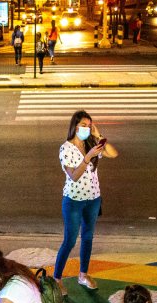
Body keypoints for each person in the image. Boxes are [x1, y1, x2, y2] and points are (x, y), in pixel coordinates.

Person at [53, 110, 118, 292]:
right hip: (73, 200)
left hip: (93, 199)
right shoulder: (66, 148)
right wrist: (88, 157)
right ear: (74, 126)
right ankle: (56, 278)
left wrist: (99, 136)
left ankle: (83, 275)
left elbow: (113, 154)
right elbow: (74, 176)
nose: (86, 129)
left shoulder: (92, 142)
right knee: (70, 240)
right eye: (83, 125)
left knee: (88, 237)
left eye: (89, 126)